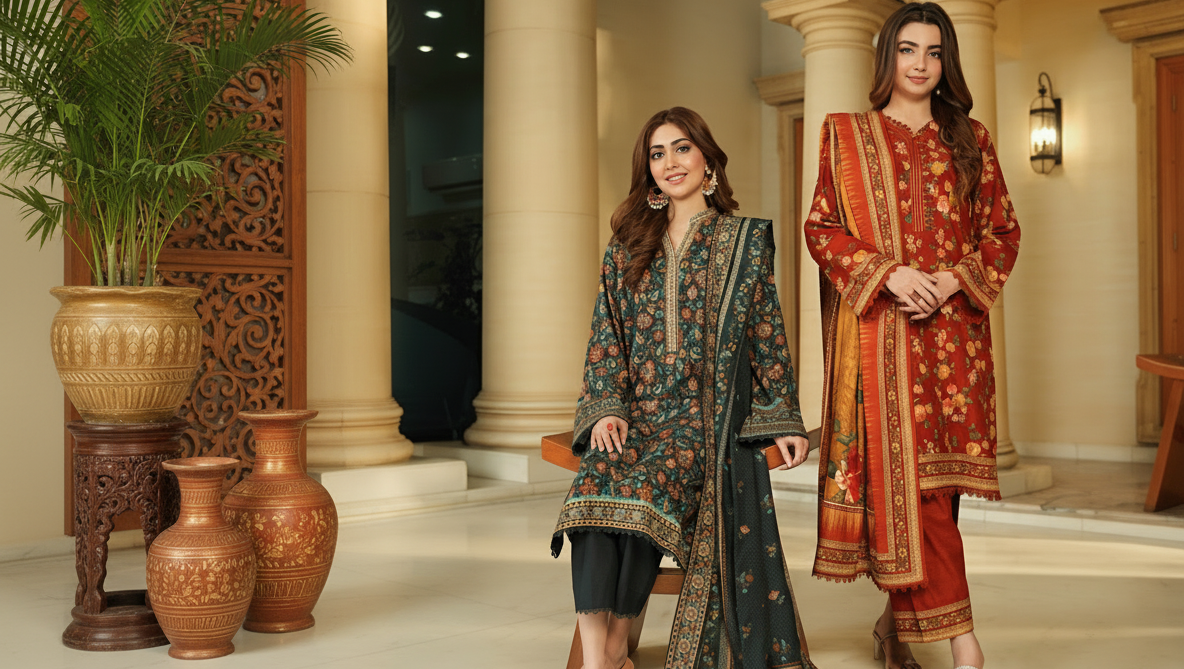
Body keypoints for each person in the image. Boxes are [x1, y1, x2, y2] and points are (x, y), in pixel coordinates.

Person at [551, 107, 816, 669]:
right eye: (657, 153)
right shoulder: (626, 247)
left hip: (704, 423)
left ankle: (616, 647)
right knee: (592, 491)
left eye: (681, 148)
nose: (670, 162)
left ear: (707, 160)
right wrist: (606, 410)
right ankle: (600, 659)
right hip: (636, 417)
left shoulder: (743, 242)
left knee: (644, 491)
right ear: (647, 170)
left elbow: (766, 333)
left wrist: (783, 417)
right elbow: (606, 337)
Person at [804, 3, 1020, 669]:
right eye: (907, 49)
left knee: (938, 494)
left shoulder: (971, 139)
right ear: (887, 57)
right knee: (908, 488)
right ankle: (963, 644)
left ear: (946, 61)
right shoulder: (846, 134)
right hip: (881, 338)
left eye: (933, 51)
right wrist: (889, 274)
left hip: (954, 342)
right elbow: (822, 228)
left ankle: (894, 626)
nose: (920, 64)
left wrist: (952, 281)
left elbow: (1002, 232)